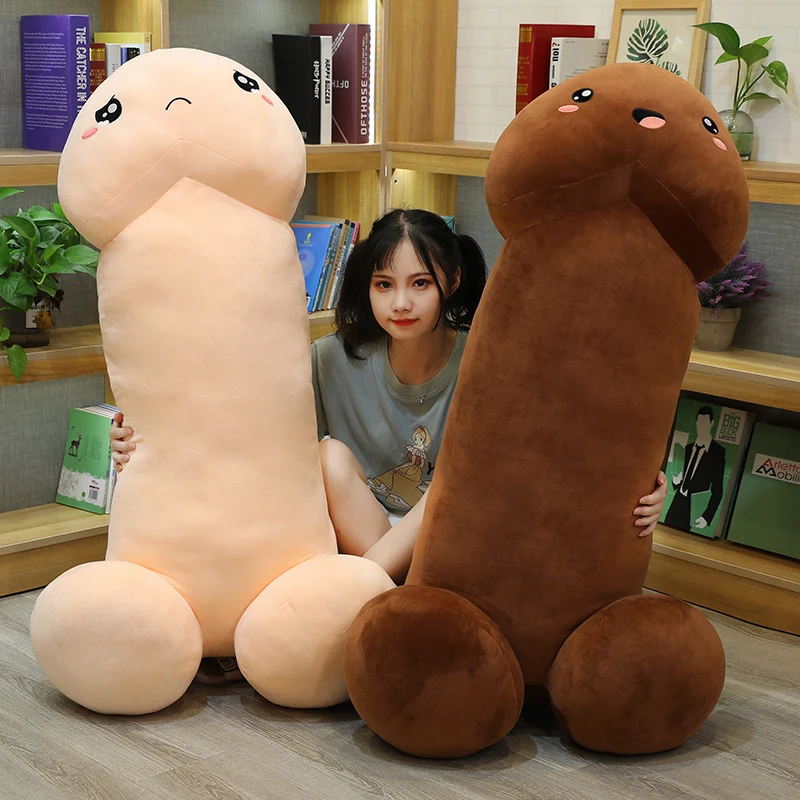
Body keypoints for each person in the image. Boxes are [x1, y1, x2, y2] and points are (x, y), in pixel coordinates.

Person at [110, 208, 666, 676]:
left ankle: (354, 601)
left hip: (452, 548)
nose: (400, 303)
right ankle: (373, 600)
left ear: (451, 281)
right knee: (326, 458)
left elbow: (555, 446)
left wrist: (644, 485)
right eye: (384, 285)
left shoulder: (487, 361)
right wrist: (142, 443)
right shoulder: (330, 359)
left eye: (419, 284)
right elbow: (251, 435)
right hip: (360, 537)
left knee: (458, 478)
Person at [664, 405, 726, 533]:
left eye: (705, 423)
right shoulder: (688, 448)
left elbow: (717, 489)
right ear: (696, 423)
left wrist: (706, 516)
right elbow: (684, 477)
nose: (701, 427)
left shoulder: (718, 452)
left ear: (711, 424)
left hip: (696, 507)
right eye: (700, 422)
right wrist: (676, 481)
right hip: (677, 501)